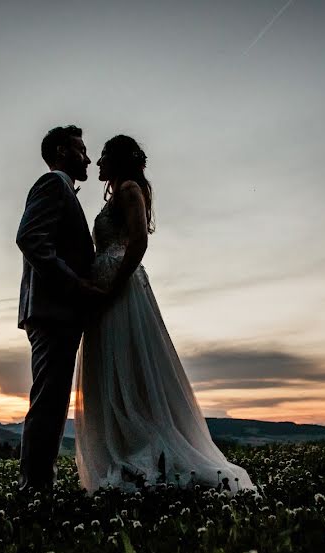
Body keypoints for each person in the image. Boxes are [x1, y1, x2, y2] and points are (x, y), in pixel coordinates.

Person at [74, 134, 256, 495]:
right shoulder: (119, 191)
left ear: (119, 159)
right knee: (111, 369)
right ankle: (123, 455)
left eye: (104, 156)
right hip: (106, 288)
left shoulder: (129, 189)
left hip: (121, 289)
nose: (97, 163)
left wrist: (114, 283)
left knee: (131, 365)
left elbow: (139, 241)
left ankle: (148, 457)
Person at [15, 125, 103, 492]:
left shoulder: (65, 190)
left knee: (52, 400)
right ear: (62, 150)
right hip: (52, 311)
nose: (88, 157)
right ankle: (34, 487)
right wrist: (77, 284)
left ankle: (38, 483)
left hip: (58, 312)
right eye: (82, 149)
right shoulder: (53, 185)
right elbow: (30, 238)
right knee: (49, 401)